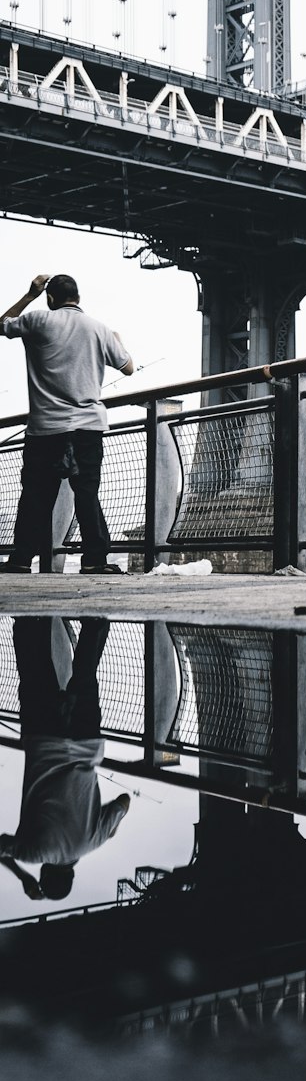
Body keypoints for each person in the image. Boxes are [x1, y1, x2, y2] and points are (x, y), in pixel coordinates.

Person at [0, 273, 134, 576]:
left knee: (35, 495)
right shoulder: (99, 329)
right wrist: (117, 340)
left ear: (50, 298)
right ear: (79, 298)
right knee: (86, 492)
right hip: (88, 426)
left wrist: (29, 295)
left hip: (46, 427)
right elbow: (128, 367)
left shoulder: (37, 320)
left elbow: (1, 324)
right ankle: (94, 560)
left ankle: (21, 559)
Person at [0, 617, 130, 900]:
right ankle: (31, 616)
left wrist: (110, 830)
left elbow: (124, 802)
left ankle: (95, 623)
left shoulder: (91, 843)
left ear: (72, 872)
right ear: (45, 872)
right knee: (34, 672)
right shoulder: (33, 853)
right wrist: (23, 876)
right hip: (44, 741)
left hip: (86, 743)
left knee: (84, 678)